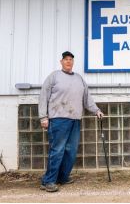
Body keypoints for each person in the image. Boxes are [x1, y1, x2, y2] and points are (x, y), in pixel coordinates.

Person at [38, 51, 104, 192]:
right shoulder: (54, 76)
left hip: (75, 119)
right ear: (61, 61)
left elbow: (87, 98)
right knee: (57, 150)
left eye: (71, 60)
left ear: (73, 62)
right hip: (58, 119)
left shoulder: (79, 79)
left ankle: (62, 177)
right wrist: (43, 117)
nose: (68, 62)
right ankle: (48, 181)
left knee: (71, 151)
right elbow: (43, 96)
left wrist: (96, 110)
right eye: (66, 59)